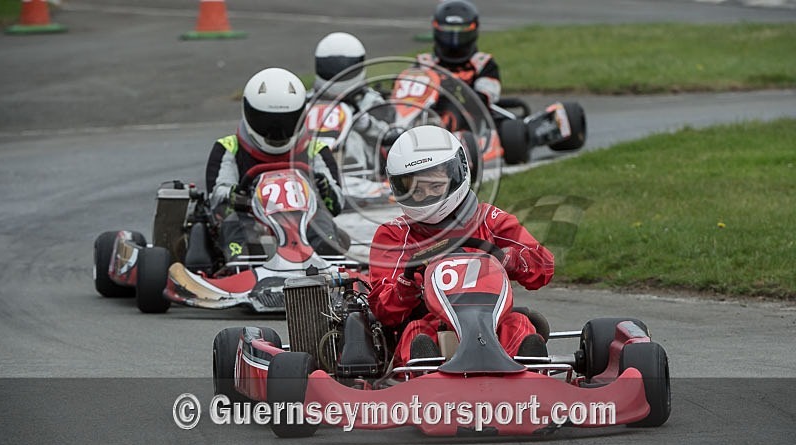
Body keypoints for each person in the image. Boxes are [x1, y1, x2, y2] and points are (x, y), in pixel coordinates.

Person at [367, 125, 554, 366]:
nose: (428, 197)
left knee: (518, 325)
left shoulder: (491, 220)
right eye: (417, 191)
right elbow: (383, 310)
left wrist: (515, 260)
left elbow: (545, 266)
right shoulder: (394, 234)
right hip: (434, 324)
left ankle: (529, 377)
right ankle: (427, 384)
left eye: (435, 186)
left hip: (492, 323)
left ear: (458, 173)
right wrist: (406, 287)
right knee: (416, 334)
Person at [204, 67, 348, 261]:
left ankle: (328, 263)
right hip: (252, 223)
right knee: (235, 224)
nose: (277, 131)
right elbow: (216, 198)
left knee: (323, 223)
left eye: (286, 122)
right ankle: (239, 270)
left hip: (305, 224)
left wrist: (325, 189)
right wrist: (234, 195)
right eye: (267, 122)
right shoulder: (229, 147)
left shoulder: (315, 149)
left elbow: (336, 204)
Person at [310, 32, 397, 175]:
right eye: (331, 67)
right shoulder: (308, 101)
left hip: (362, 175)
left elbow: (393, 136)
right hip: (313, 168)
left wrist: (368, 125)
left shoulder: (371, 102)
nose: (337, 72)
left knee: (353, 137)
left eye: (344, 67)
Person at [417, 0, 501, 115]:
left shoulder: (484, 64)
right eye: (448, 30)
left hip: (469, 124)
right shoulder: (424, 64)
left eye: (461, 30)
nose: (454, 39)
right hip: (428, 122)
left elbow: (483, 99)